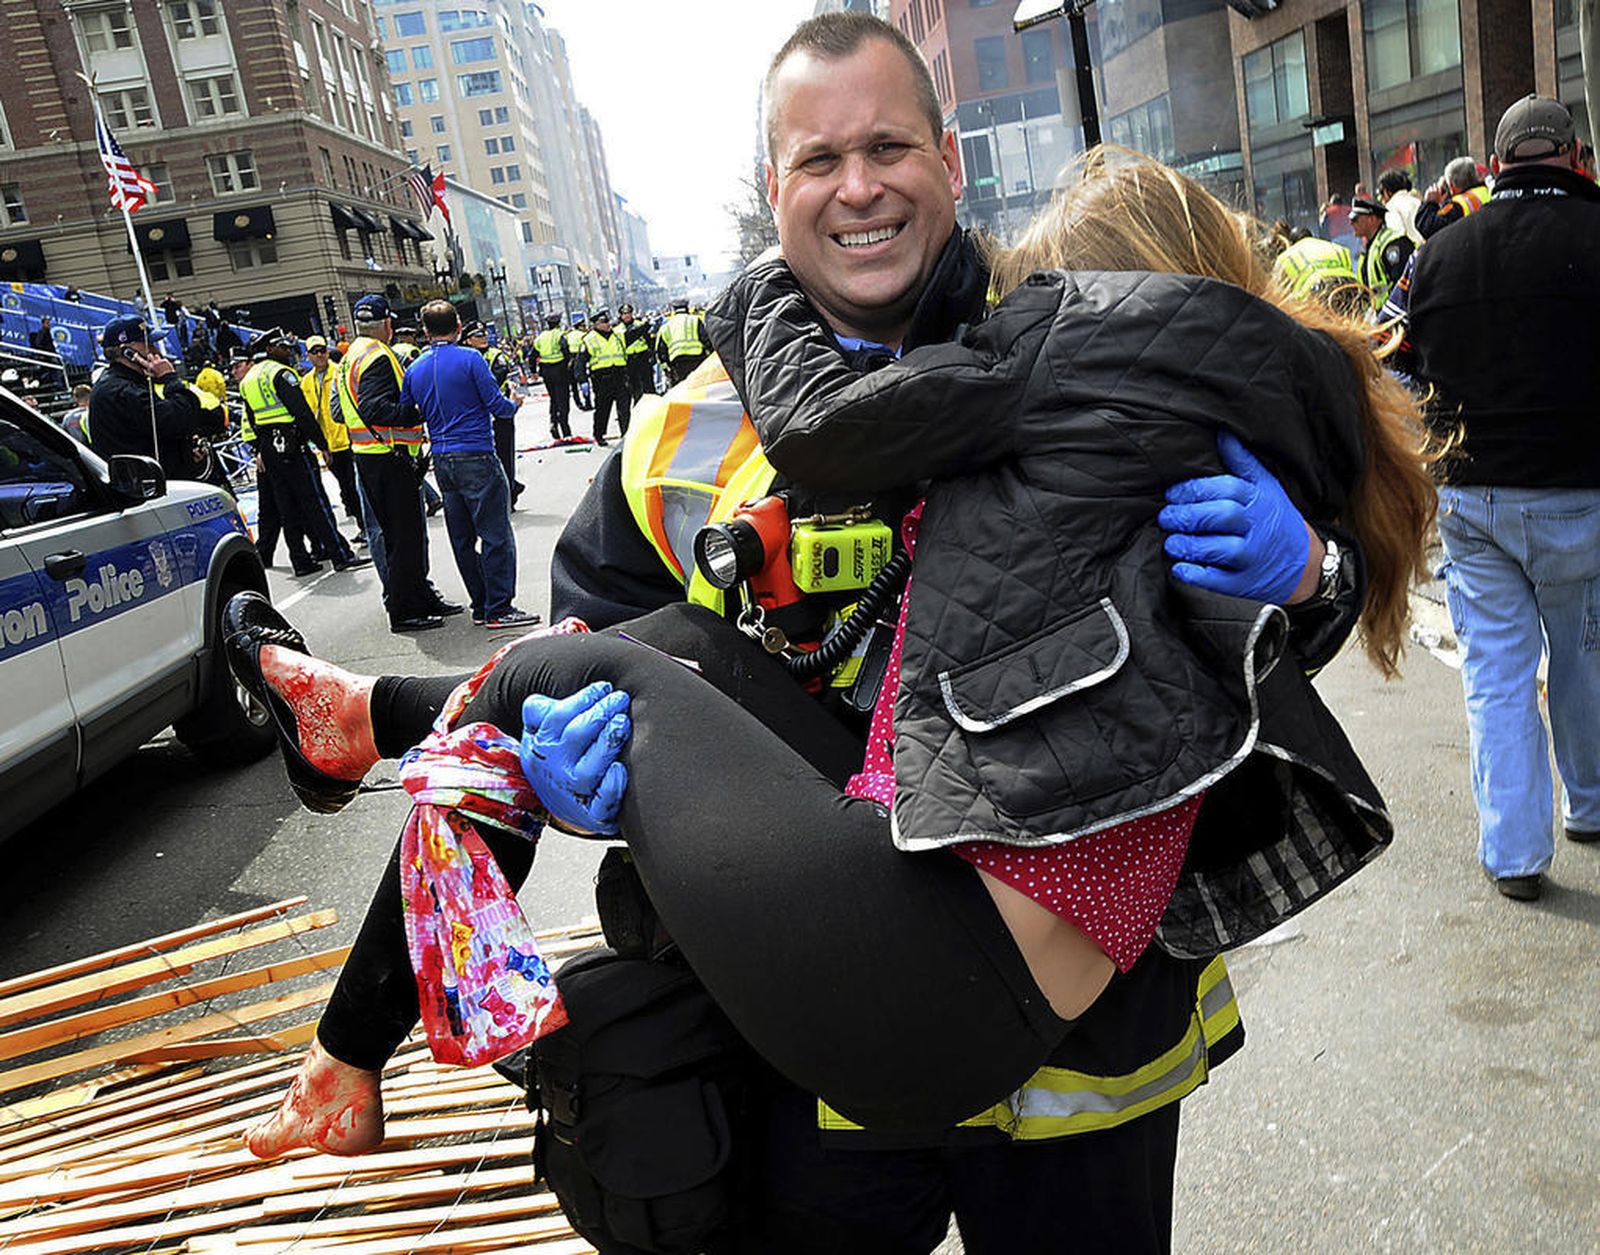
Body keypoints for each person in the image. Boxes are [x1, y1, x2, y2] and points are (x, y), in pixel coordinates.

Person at [231, 15, 1424, 1253]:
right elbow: (575, 671)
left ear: (949, 163)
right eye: (818, 159)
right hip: (813, 1056)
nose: (858, 187)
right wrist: (559, 772)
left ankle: (357, 728)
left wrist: (1307, 576)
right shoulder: (677, 438)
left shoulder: (1066, 337)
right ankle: (356, 817)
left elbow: (1221, 676)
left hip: (1088, 1053)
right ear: (772, 188)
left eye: (888, 146)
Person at [1402, 95, 1600, 902]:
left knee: (1497, 675)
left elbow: (1402, 367)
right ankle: (1589, 805)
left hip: (1473, 501)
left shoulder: (1440, 254)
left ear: (1496, 164)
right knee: (1585, 658)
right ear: (1575, 157)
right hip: (1581, 499)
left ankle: (1515, 854)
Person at [402, 300, 539, 631]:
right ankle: (500, 607)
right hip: (476, 453)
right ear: (459, 327)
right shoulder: (471, 359)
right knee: (496, 534)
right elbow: (498, 407)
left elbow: (408, 413)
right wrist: (515, 403)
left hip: (443, 460)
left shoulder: (415, 369)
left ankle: (480, 604)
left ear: (425, 331)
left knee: (461, 537)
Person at [339, 294, 443, 633]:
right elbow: (373, 407)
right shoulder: (377, 356)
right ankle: (405, 610)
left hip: (372, 456)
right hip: (388, 457)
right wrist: (414, 413)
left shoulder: (351, 355)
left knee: (403, 536)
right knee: (404, 537)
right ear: (387, 324)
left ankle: (421, 597)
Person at [240, 329, 369, 576]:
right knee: (315, 502)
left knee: (287, 506)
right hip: (292, 445)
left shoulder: (249, 379)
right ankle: (340, 555)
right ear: (270, 349)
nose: (288, 351)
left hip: (269, 448)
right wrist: (322, 444)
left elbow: (251, 420)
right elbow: (302, 414)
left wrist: (259, 450)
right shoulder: (280, 373)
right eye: (282, 346)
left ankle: (300, 560)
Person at [86, 315, 226, 482]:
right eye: (149, 345)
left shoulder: (123, 384)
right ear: (128, 352)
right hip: (151, 489)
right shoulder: (125, 390)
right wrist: (169, 378)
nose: (157, 352)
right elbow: (180, 420)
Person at [301, 334, 363, 540]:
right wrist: (320, 445)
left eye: (322, 350)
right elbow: (309, 413)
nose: (320, 355)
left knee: (355, 486)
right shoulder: (306, 382)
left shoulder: (339, 372)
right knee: (345, 487)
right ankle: (363, 525)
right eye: (315, 352)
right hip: (328, 443)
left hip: (349, 439)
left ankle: (367, 526)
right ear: (308, 355)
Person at [462, 322, 525, 505]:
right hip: (478, 416)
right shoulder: (465, 358)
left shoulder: (495, 355)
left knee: (505, 455)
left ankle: (509, 495)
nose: (483, 339)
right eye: (477, 336)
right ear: (467, 340)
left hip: (499, 412)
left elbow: (499, 376)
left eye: (483, 336)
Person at [1349, 195, 1413, 313]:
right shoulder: (1369, 248)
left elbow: (1403, 286)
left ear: (1372, 219)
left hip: (1395, 316)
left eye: (1355, 219)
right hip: (1378, 317)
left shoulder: (1392, 244)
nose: (1351, 223)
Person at [580, 308, 630, 447]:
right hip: (602, 379)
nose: (608, 324)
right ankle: (599, 434)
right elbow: (580, 362)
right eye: (604, 322)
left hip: (619, 376)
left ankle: (626, 433)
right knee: (603, 409)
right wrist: (582, 380)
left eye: (608, 321)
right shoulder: (589, 339)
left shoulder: (617, 336)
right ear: (596, 324)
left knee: (624, 407)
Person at [1416, 155, 1490, 238]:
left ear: (1452, 185)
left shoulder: (1458, 204)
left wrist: (1430, 203)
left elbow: (1428, 227)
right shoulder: (1487, 191)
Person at [531, 314, 572, 441]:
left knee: (553, 399)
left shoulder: (540, 337)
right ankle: (565, 429)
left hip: (546, 372)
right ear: (558, 323)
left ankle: (553, 423)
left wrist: (533, 371)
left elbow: (532, 356)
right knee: (563, 399)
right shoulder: (560, 335)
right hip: (560, 371)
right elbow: (566, 352)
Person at [655, 296, 711, 384]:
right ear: (687, 308)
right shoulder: (695, 320)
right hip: (698, 359)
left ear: (673, 310)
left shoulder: (665, 327)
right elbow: (706, 340)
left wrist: (666, 368)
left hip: (677, 363)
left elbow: (661, 351)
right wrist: (710, 356)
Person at [617, 303, 656, 403]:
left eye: (629, 313)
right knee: (635, 388)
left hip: (642, 358)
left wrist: (651, 355)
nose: (627, 316)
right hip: (629, 361)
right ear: (620, 315)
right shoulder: (617, 330)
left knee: (648, 386)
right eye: (624, 314)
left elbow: (650, 341)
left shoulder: (640, 324)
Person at [1377, 168, 1424, 245]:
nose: (1381, 200)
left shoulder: (1391, 208)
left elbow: (1398, 237)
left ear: (1387, 192)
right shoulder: (1417, 201)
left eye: (1381, 193)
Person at [564, 316, 592, 411]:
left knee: (573, 383)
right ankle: (587, 402)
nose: (585, 327)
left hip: (570, 360)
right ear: (579, 326)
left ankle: (578, 403)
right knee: (583, 381)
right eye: (583, 326)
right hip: (580, 359)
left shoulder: (568, 335)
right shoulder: (584, 335)